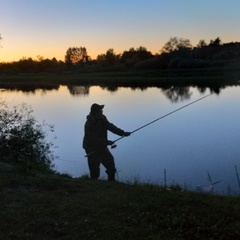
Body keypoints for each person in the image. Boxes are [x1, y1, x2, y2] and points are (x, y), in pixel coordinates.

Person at [83, 103, 131, 181]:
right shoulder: (89, 124)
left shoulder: (102, 118)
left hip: (102, 147)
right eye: (100, 110)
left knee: (111, 165)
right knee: (95, 171)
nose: (102, 111)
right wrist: (107, 142)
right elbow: (93, 139)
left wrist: (122, 133)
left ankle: (111, 182)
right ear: (95, 112)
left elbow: (110, 126)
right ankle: (94, 186)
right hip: (91, 148)